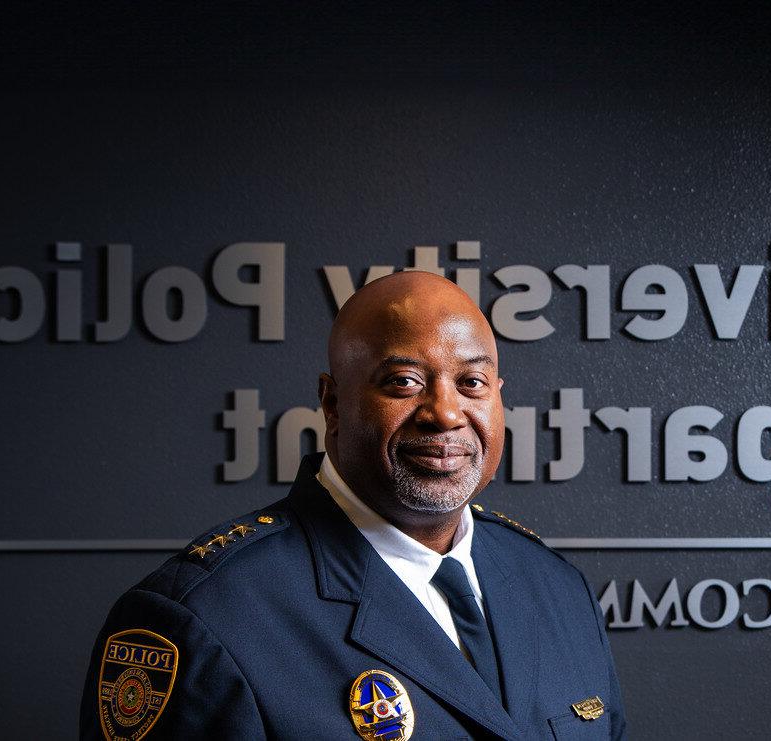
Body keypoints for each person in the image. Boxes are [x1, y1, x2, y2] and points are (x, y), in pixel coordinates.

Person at [81, 272, 627, 739]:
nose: (445, 413)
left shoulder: (557, 588)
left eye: (472, 382)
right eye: (404, 382)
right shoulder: (204, 617)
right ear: (332, 402)